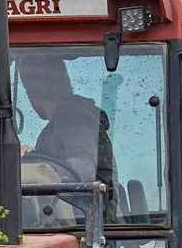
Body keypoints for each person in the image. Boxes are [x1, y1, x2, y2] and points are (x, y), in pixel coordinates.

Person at [17, 53, 117, 210]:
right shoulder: (52, 129)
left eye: (28, 88)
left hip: (92, 221)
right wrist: (30, 158)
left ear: (34, 91)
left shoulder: (72, 117)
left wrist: (41, 167)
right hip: (74, 215)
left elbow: (85, 167)